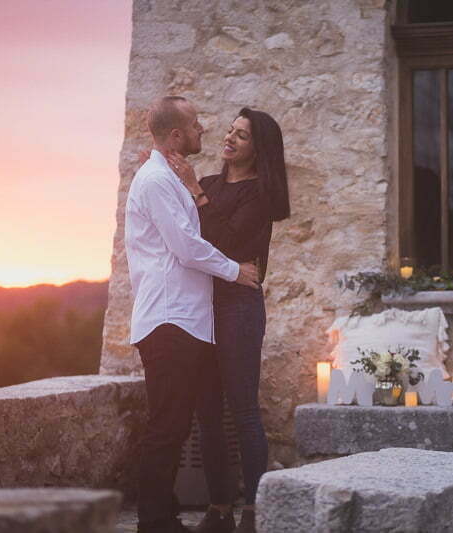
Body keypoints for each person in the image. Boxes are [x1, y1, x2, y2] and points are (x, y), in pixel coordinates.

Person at [124, 95, 260, 533]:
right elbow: (186, 247)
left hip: (185, 321)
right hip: (169, 320)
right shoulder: (156, 181)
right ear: (176, 135)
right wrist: (235, 270)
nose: (205, 129)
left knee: (178, 423)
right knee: (167, 426)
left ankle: (164, 517)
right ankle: (154, 522)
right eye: (196, 124)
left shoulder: (167, 177)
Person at [165, 108, 289, 533]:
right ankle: (219, 510)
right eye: (231, 131)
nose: (230, 139)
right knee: (207, 413)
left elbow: (228, 242)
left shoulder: (260, 194)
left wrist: (195, 191)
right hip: (202, 305)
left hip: (239, 308)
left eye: (242, 135)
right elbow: (191, 240)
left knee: (243, 410)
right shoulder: (212, 183)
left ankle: (253, 512)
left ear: (259, 149)